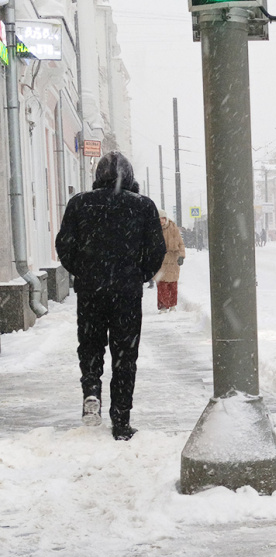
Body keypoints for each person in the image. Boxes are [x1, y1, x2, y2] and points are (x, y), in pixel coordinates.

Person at [55, 151, 166, 440]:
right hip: (127, 295)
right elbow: (156, 251)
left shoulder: (80, 203)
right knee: (125, 356)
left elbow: (65, 246)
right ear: (129, 177)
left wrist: (85, 271)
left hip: (91, 291)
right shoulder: (143, 206)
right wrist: (136, 275)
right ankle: (121, 421)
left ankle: (91, 390)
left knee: (90, 345)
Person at [155, 210, 186, 313]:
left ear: (166, 218)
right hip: (160, 260)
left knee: (172, 284)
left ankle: (172, 305)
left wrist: (181, 255)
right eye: (159, 219)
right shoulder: (154, 229)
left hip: (173, 259)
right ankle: (163, 306)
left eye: (163, 219)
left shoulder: (173, 228)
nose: (161, 221)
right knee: (162, 284)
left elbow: (180, 243)